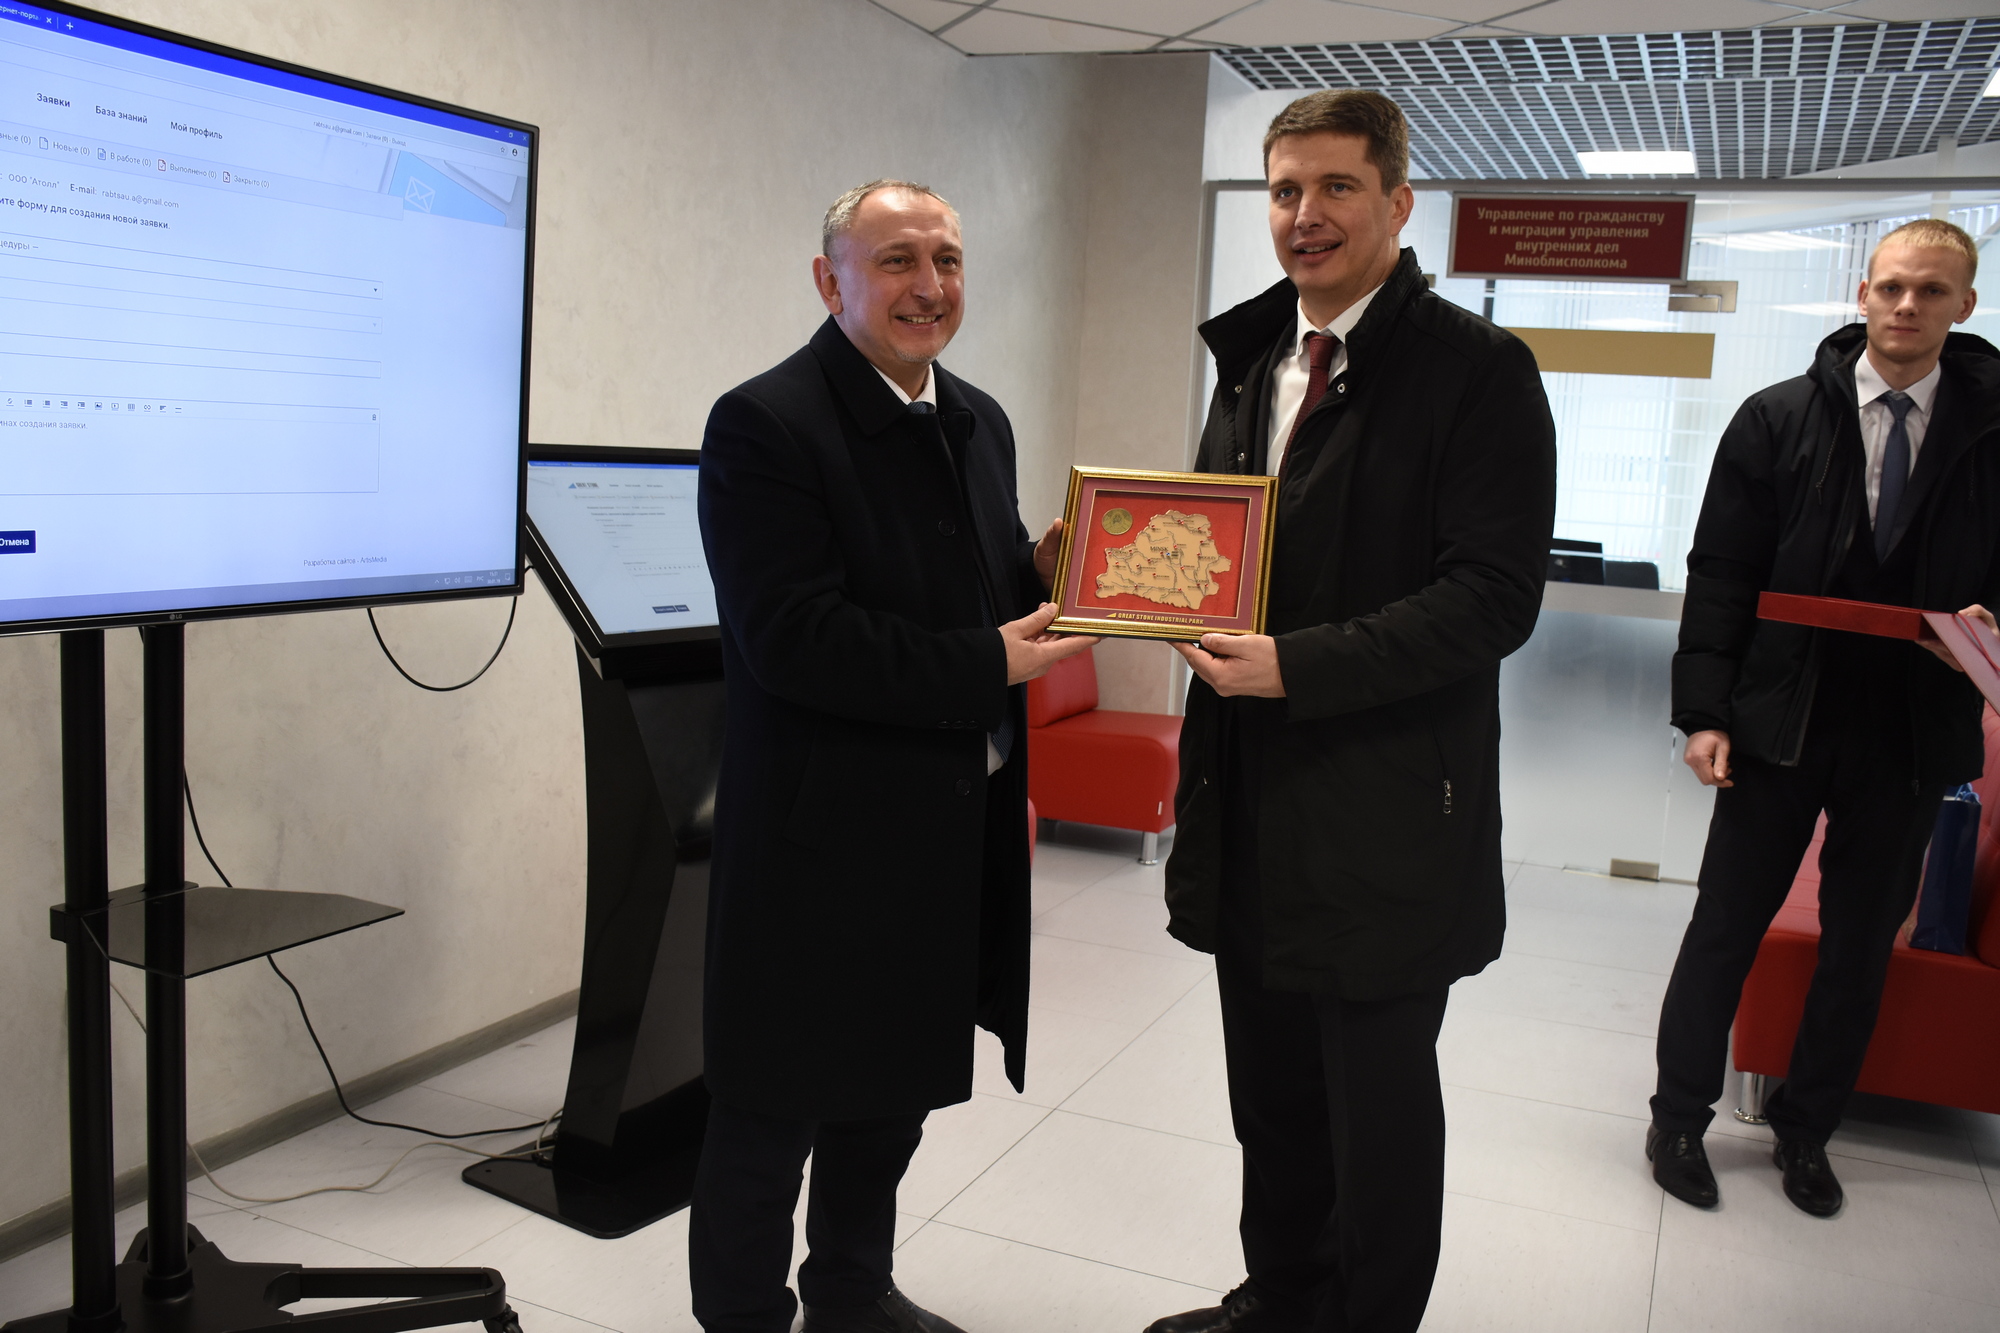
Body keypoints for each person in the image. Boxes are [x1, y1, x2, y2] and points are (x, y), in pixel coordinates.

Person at [1143, 91, 1556, 1333]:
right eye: (1283, 190)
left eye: (1334, 187)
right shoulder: (1252, 362)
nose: (1303, 215)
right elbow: (1222, 553)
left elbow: (1490, 598)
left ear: (1397, 202)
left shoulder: (1475, 372)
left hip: (1387, 807)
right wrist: (1123, 573)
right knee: (1268, 1092)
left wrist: (1297, 665)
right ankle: (1279, 1298)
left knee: (1372, 1110)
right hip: (1245, 790)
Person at [693, 179, 1092, 1333]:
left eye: (947, 260)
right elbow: (792, 638)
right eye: (897, 260)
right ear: (831, 282)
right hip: (816, 839)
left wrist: (1041, 574)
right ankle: (742, 1318)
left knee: (891, 1093)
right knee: (771, 1110)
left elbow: (968, 583)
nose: (929, 286)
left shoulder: (976, 417)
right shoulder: (764, 424)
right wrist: (987, 658)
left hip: (941, 828)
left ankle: (852, 1292)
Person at [1650, 217, 2000, 1218]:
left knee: (1858, 947)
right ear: (1861, 292)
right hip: (1779, 716)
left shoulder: (1991, 432)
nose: (1905, 306)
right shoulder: (1775, 417)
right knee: (1724, 928)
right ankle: (1678, 1118)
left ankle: (1805, 1131)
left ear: (1964, 304)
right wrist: (1702, 712)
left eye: (1929, 291)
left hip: (1911, 729)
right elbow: (1721, 572)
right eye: (1890, 286)